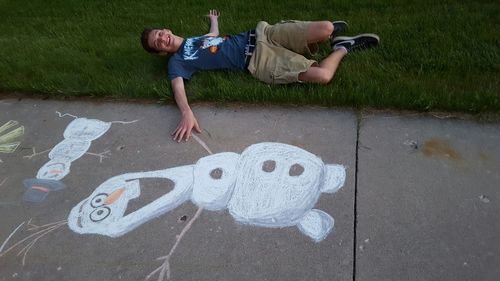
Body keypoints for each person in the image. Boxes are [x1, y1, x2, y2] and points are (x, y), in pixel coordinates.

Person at [141, 10, 379, 142]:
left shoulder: (194, 39)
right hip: (257, 61)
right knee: (324, 75)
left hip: (260, 35)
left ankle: (324, 36)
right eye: (158, 42)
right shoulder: (177, 62)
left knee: (326, 26)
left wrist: (214, 21)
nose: (162, 38)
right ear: (161, 52)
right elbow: (177, 87)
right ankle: (342, 47)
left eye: (160, 33)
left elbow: (212, 36)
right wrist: (186, 112)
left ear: (167, 30)